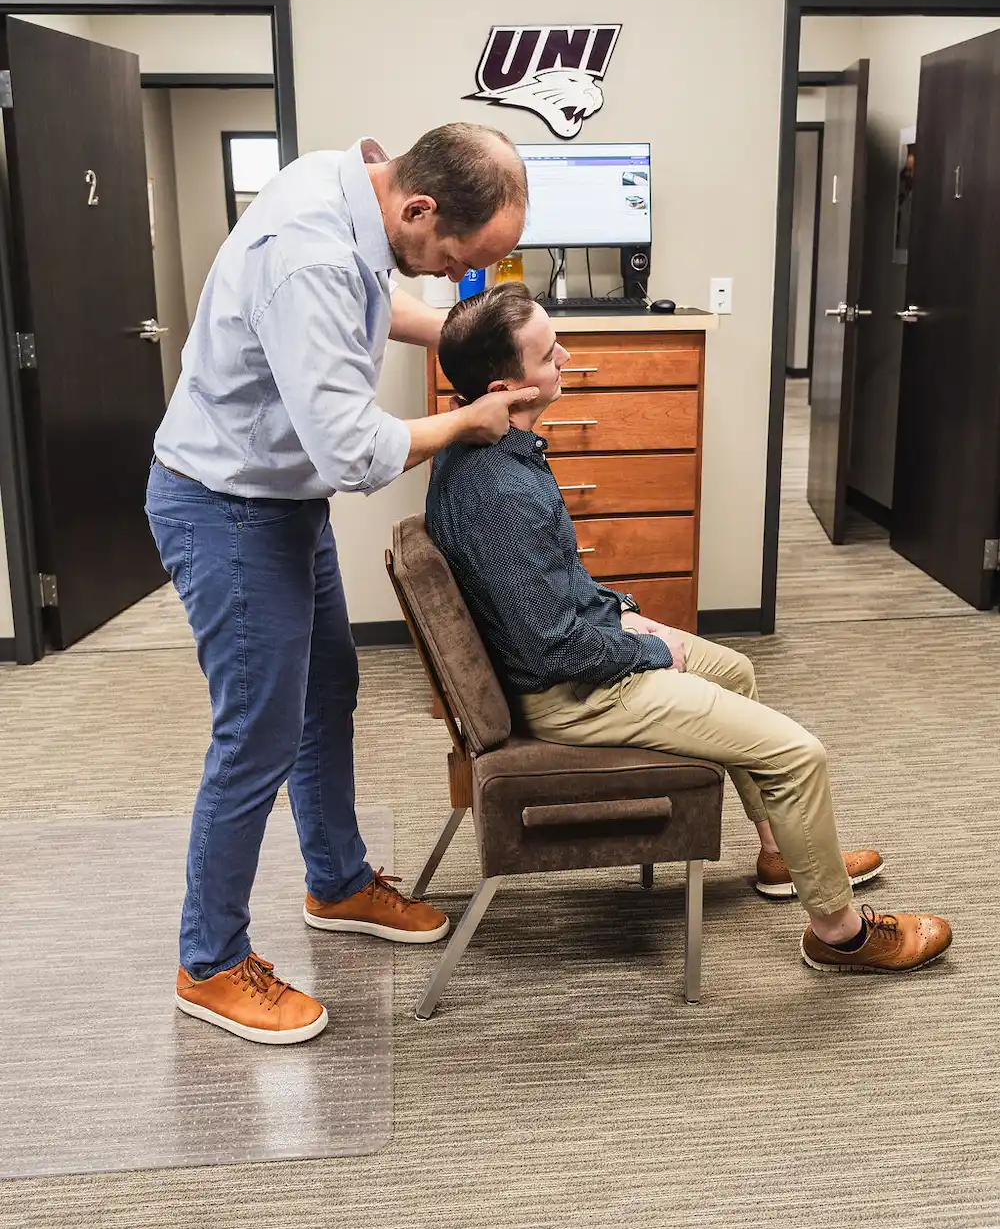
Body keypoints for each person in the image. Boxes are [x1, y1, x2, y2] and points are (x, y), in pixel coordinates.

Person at [425, 283, 953, 978]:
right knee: (800, 755)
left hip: (575, 658)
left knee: (734, 669)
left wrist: (617, 609)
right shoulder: (501, 491)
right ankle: (840, 933)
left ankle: (780, 855)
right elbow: (552, 647)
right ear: (506, 385)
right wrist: (648, 649)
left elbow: (548, 587)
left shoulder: (492, 448)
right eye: (552, 354)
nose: (567, 357)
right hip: (574, 693)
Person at [147, 125, 540, 1045]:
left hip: (279, 498)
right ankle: (208, 963)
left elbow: (380, 301)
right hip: (226, 504)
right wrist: (469, 419)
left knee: (329, 692)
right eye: (454, 261)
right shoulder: (313, 259)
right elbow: (356, 452)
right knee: (257, 735)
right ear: (417, 207)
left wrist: (456, 332)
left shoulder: (349, 180)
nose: (449, 279)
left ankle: (337, 882)